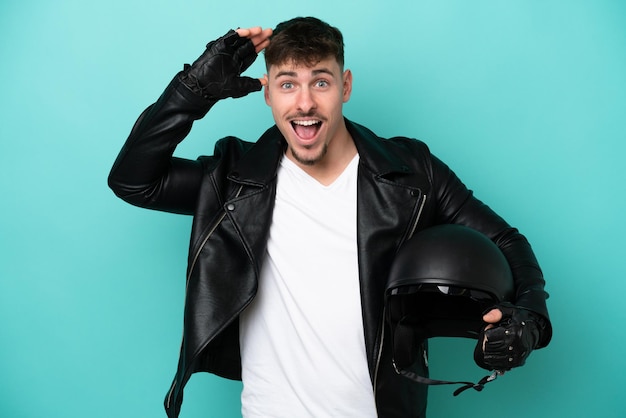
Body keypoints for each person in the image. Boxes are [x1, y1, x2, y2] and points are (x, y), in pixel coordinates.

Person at [108, 17, 552, 418]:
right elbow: (133, 180)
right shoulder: (235, 178)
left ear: (346, 86)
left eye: (320, 82)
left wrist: (528, 319)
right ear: (266, 93)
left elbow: (506, 241)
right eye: (287, 84)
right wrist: (195, 89)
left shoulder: (412, 172)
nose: (304, 103)